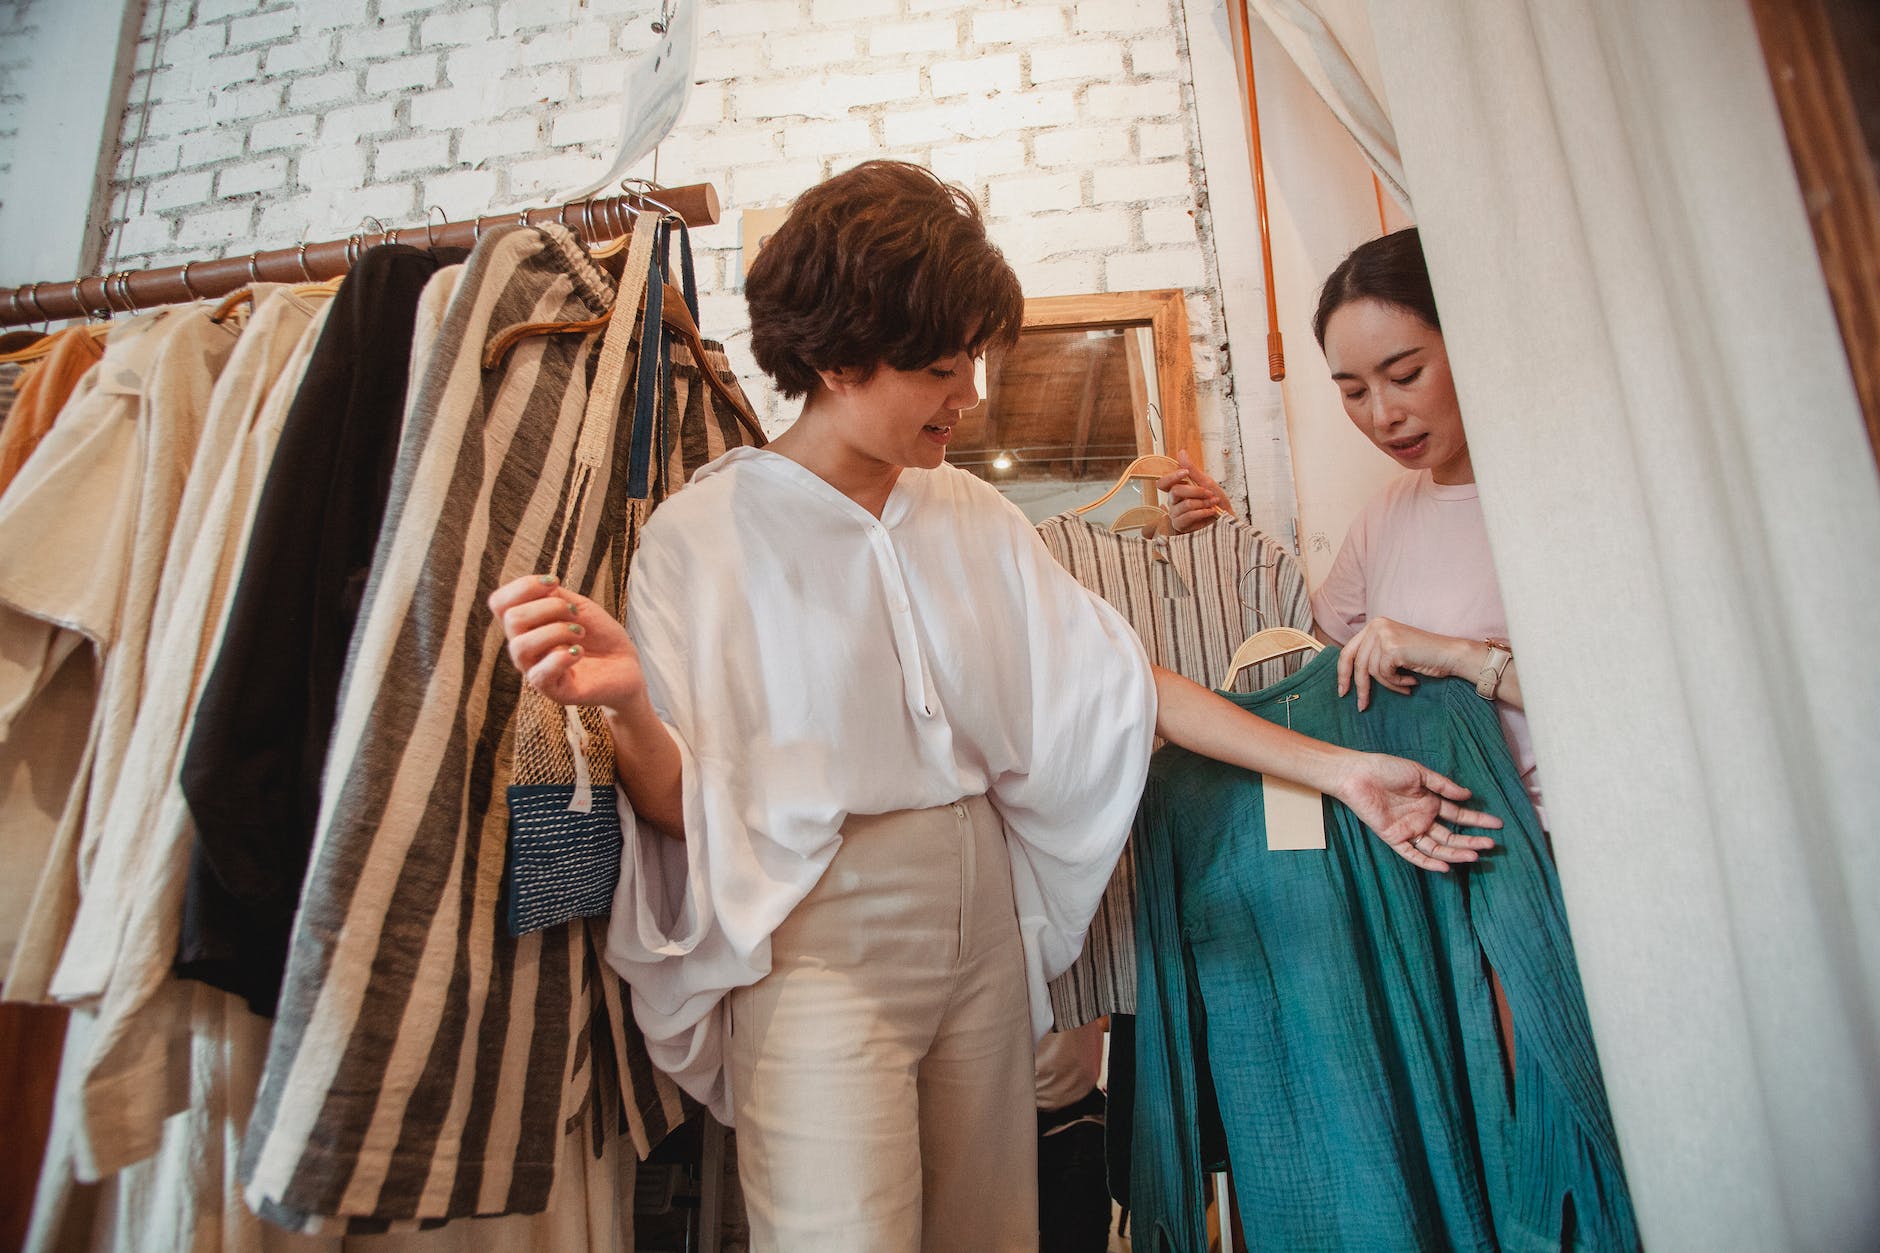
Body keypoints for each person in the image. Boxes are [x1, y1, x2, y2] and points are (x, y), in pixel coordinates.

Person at [489, 162, 1499, 1252]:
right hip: (815, 930)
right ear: (833, 361)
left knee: (990, 1233)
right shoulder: (707, 534)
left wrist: (1337, 769)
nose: (968, 395)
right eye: (937, 367)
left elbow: (1121, 686)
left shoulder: (968, 513)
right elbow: (687, 806)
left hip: (979, 917)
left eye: (972, 357)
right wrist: (631, 705)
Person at [1307, 227, 1544, 820]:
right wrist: (1217, 530)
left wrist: (1457, 655)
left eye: (1407, 375)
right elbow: (1314, 667)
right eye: (1355, 391)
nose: (1384, 415)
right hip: (1433, 857)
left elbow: (1623, 690)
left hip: (1566, 853)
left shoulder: (1556, 504)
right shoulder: (1384, 516)